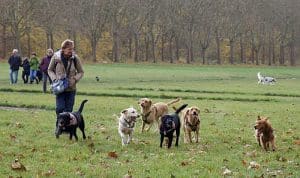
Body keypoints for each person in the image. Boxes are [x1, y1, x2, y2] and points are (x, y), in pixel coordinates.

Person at [48, 39, 84, 118]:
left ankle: (67, 128)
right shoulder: (55, 57)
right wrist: (54, 79)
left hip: (71, 89)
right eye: (69, 49)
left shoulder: (75, 58)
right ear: (63, 49)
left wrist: (74, 79)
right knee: (59, 109)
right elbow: (50, 70)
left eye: (72, 49)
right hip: (59, 88)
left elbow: (81, 72)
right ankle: (59, 127)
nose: (71, 51)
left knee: (68, 110)